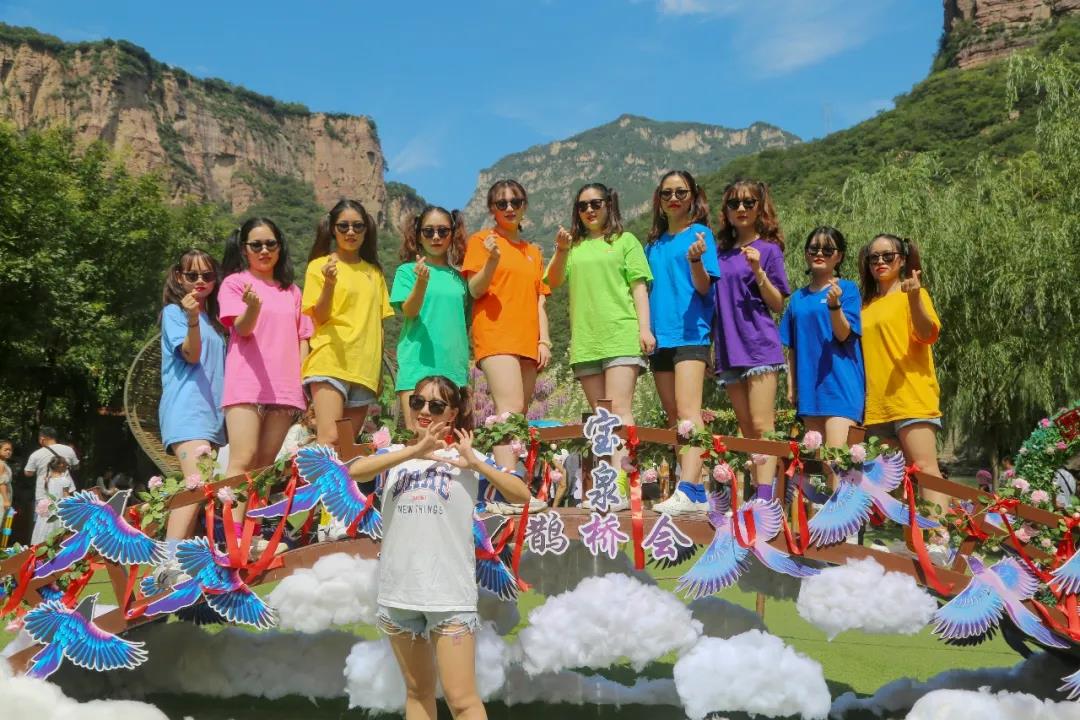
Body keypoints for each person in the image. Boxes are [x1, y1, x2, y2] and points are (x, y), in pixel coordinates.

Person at [346, 375, 529, 720]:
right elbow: (356, 471)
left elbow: (521, 495)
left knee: (462, 700)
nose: (425, 411)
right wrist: (414, 451)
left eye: (436, 405)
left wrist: (476, 464)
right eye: (418, 402)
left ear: (453, 412)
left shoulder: (466, 458)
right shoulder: (393, 456)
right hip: (399, 595)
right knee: (417, 692)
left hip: (449, 597)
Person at [544, 183, 653, 512]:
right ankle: (605, 489)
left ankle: (622, 485)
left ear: (609, 204)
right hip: (586, 342)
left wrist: (644, 329)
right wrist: (561, 250)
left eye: (596, 203)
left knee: (619, 410)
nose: (590, 210)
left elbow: (639, 287)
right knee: (601, 419)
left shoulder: (626, 241)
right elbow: (551, 281)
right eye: (583, 206)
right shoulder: (573, 247)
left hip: (620, 334)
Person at [461, 180, 550, 509]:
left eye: (516, 201)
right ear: (492, 209)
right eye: (502, 203)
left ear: (524, 205)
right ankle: (508, 490)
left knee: (518, 417)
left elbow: (540, 299)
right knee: (508, 411)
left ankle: (507, 487)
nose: (509, 207)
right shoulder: (481, 241)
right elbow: (474, 289)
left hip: (528, 340)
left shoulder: (533, 252)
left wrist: (544, 339)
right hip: (496, 335)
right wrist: (492, 261)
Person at [219, 218, 313, 520]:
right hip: (246, 385)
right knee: (242, 459)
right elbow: (242, 329)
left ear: (280, 247)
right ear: (243, 248)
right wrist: (253, 307)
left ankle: (253, 530)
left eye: (270, 244)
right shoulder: (234, 284)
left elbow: (303, 338)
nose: (264, 250)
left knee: (264, 466)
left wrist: (302, 381)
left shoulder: (292, 291)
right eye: (256, 244)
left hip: (284, 389)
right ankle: (232, 534)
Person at [644, 171, 721, 516]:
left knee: (690, 412)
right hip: (659, 338)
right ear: (659, 199)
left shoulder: (700, 235)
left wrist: (695, 260)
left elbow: (704, 287)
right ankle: (694, 491)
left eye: (681, 192)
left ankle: (689, 487)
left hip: (691, 333)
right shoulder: (653, 245)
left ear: (693, 196)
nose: (674, 198)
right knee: (674, 415)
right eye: (667, 193)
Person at [858, 234, 948, 510]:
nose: (880, 262)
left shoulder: (914, 294)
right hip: (876, 407)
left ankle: (939, 532)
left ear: (902, 259)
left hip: (911, 398)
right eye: (874, 257)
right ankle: (914, 532)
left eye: (888, 256)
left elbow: (927, 333)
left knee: (924, 469)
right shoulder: (865, 305)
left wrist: (915, 297)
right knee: (890, 480)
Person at [713, 180, 790, 501]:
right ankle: (758, 493)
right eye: (734, 203)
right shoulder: (718, 254)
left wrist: (758, 271)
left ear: (760, 207)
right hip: (728, 348)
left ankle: (764, 497)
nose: (742, 208)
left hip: (759, 346)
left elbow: (777, 303)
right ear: (726, 211)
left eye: (749, 202)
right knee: (746, 429)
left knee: (761, 424)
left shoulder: (769, 250)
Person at [156, 248, 227, 578]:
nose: (200, 280)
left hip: (211, 417)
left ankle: (180, 562)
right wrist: (192, 319)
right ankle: (168, 559)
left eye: (207, 275)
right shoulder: (175, 313)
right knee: (197, 483)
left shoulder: (214, 322)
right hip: (186, 411)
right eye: (192, 274)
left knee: (203, 487)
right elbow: (191, 354)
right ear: (179, 277)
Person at [303, 200, 391, 447]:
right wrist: (329, 284)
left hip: (364, 368)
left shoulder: (374, 273)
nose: (350, 232)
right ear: (333, 229)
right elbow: (319, 317)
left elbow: (379, 325)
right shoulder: (319, 266)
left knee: (346, 446)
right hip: (330, 360)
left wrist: (378, 373)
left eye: (357, 226)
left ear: (366, 230)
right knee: (330, 439)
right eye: (343, 226)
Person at [779, 226, 864, 454]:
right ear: (806, 254)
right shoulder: (797, 299)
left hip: (841, 387)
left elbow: (844, 334)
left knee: (836, 460)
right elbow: (793, 347)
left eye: (828, 250)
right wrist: (791, 386)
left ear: (839, 256)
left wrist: (834, 305)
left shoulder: (848, 290)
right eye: (814, 248)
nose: (819, 254)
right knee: (818, 464)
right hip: (809, 392)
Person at [391, 206, 470, 424]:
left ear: (452, 235)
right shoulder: (407, 271)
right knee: (417, 437)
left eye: (443, 231)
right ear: (418, 235)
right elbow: (409, 311)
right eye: (428, 231)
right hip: (417, 366)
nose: (436, 237)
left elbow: (465, 323)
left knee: (450, 440)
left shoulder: (460, 278)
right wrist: (421, 282)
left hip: (453, 369)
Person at [24, 426, 79, 501]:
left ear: (42, 439)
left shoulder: (36, 454)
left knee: (46, 509)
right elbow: (76, 466)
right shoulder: (69, 450)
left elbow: (28, 473)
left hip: (44, 495)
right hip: (66, 492)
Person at [31, 455, 76, 544]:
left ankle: (40, 544)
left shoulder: (47, 478)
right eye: (65, 464)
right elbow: (66, 496)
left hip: (47, 507)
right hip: (58, 508)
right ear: (61, 465)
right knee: (55, 528)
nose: (67, 466)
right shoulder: (64, 480)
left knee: (43, 527)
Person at [0, 439, 12, 526]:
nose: (8, 452)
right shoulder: (1, 464)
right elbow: (1, 482)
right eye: (6, 449)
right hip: (2, 497)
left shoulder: (4, 463)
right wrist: (6, 500)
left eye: (10, 450)